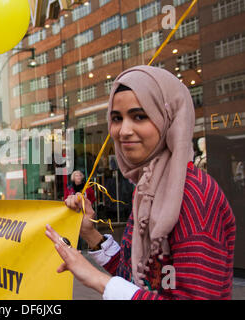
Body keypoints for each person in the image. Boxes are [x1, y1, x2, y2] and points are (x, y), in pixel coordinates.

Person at [46, 65, 236, 300]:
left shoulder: (192, 195)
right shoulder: (150, 188)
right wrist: (90, 233)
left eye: (139, 116)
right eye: (117, 118)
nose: (124, 130)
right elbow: (138, 279)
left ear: (168, 119)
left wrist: (98, 280)